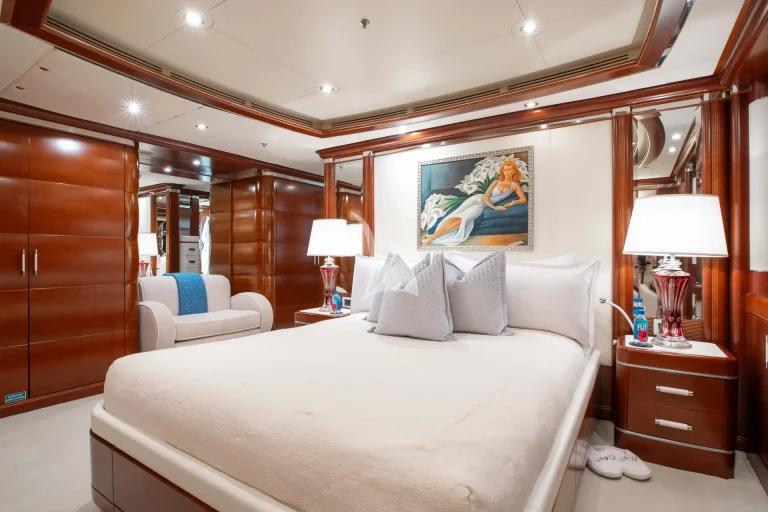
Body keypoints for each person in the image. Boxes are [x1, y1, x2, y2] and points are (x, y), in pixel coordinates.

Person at [422, 160, 527, 246]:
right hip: (478, 199)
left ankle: (432, 237)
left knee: (463, 218)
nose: (507, 172)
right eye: (505, 169)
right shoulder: (496, 182)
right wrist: (495, 207)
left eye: (510, 169)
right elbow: (485, 197)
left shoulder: (514, 185)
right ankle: (433, 236)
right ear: (503, 171)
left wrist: (512, 203)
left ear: (514, 171)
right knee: (455, 215)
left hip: (482, 205)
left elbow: (523, 199)